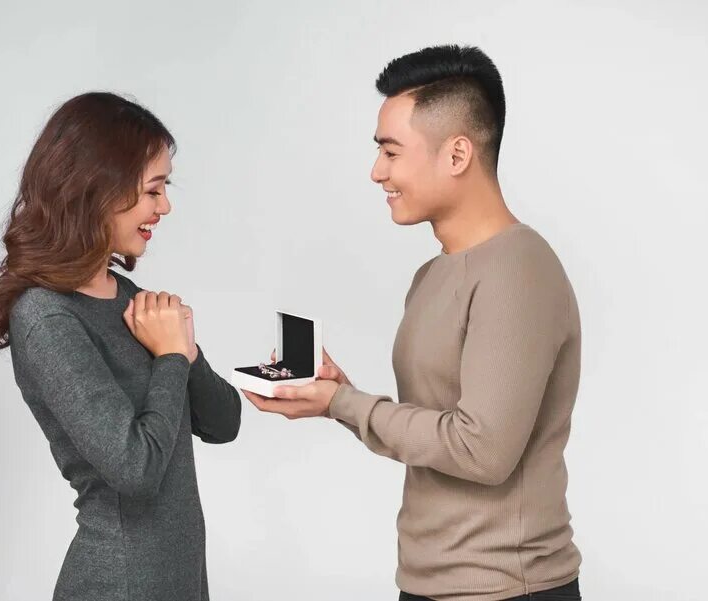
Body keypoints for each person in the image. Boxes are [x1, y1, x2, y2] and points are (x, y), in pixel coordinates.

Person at [244, 45, 583, 601]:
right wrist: (339, 396)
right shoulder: (431, 275)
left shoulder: (519, 269)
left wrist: (342, 404)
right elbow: (432, 429)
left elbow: (482, 450)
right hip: (428, 581)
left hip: (506, 590)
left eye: (391, 152)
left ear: (456, 154)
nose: (377, 172)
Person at [0, 92, 241, 601]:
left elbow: (223, 423)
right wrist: (166, 357)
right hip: (118, 582)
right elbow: (135, 470)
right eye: (153, 190)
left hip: (181, 579)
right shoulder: (47, 317)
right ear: (98, 190)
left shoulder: (132, 299)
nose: (165, 206)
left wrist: (185, 352)